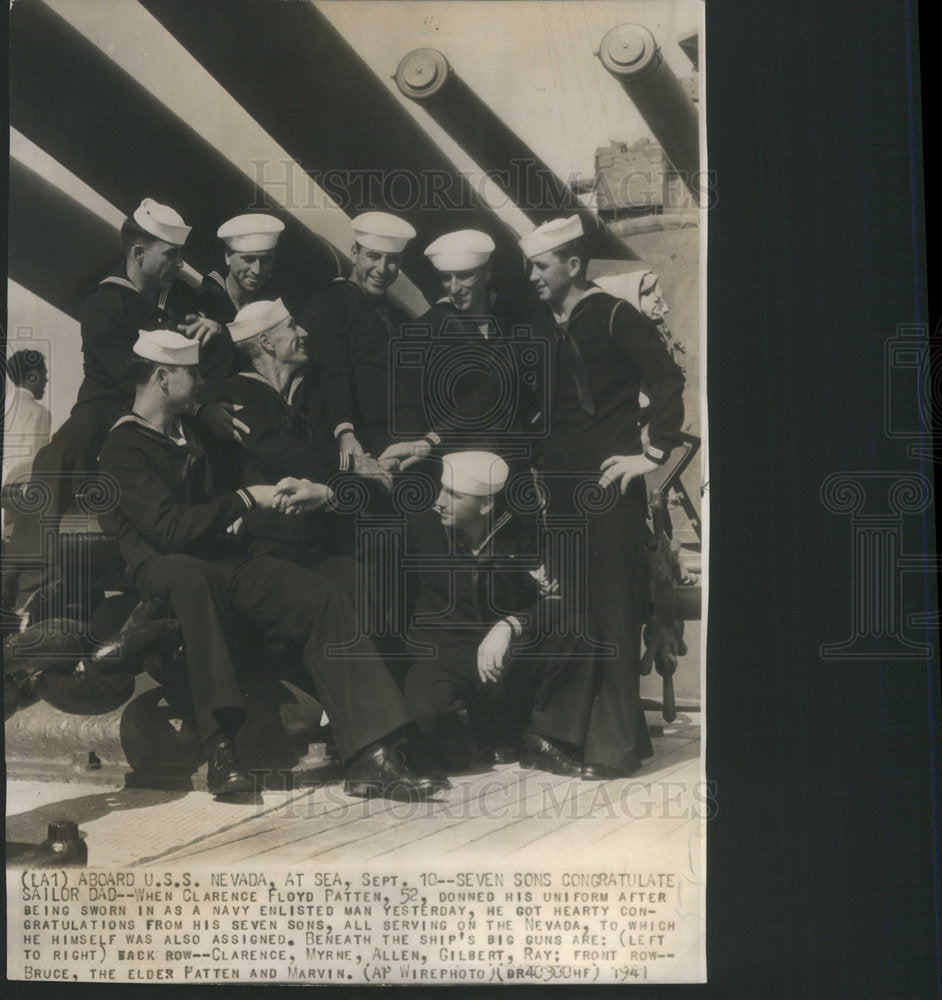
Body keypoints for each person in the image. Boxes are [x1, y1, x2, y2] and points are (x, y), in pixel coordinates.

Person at [98, 328, 448, 801]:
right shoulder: (123, 447)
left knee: (320, 597)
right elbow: (166, 529)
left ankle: (372, 753)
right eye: (191, 373)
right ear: (162, 377)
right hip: (163, 566)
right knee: (190, 579)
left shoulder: (193, 429)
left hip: (220, 560)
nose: (202, 381)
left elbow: (224, 376)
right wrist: (243, 501)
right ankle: (222, 748)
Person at [277, 451, 596, 777]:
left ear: (485, 505)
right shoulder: (421, 525)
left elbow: (564, 597)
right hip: (437, 657)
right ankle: (479, 736)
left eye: (454, 495)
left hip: (500, 658)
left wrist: (510, 625)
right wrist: (329, 496)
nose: (439, 501)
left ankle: (543, 739)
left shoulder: (521, 535)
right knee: (444, 751)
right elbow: (371, 517)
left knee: (575, 627)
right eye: (441, 489)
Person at [519, 215, 685, 779]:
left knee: (612, 609)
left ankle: (614, 746)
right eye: (530, 267)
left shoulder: (615, 315)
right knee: (573, 608)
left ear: (572, 264)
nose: (533, 276)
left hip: (609, 487)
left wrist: (652, 455)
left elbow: (666, 378)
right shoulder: (544, 325)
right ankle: (563, 735)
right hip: (560, 492)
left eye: (541, 266)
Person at [29, 198, 238, 520]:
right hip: (109, 402)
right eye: (172, 254)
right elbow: (128, 377)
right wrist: (198, 408)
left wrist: (216, 328)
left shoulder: (181, 298)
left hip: (175, 397)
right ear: (139, 254)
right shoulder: (102, 305)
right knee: (58, 458)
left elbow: (214, 351)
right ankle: (34, 566)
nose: (181, 264)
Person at [223, 298, 392, 564]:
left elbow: (325, 448)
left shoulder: (308, 388)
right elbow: (272, 450)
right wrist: (349, 462)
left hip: (325, 524)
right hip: (272, 539)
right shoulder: (236, 392)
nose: (304, 332)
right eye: (292, 326)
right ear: (267, 343)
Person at [377, 229, 541, 476]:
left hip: (516, 462)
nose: (454, 288)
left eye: (464, 276)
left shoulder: (513, 318)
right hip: (461, 468)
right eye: (446, 278)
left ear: (486, 273)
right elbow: (409, 407)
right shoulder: (425, 331)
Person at [299, 211, 423, 459]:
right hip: (355, 442)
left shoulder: (401, 318)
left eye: (392, 259)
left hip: (401, 445)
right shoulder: (329, 304)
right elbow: (331, 372)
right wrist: (345, 432)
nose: (382, 269)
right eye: (374, 256)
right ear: (354, 253)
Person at [198, 213, 285, 325]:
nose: (257, 270)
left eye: (266, 260)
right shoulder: (204, 300)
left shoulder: (276, 302)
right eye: (249, 259)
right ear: (228, 256)